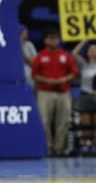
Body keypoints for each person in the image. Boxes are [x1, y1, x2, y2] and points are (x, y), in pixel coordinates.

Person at [31, 27, 79, 156]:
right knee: (44, 120)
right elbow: (34, 75)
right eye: (51, 38)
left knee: (63, 121)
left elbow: (74, 72)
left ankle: (59, 149)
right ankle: (47, 148)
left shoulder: (64, 55)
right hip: (45, 92)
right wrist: (47, 80)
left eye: (56, 38)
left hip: (63, 92)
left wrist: (64, 79)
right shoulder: (40, 56)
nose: (54, 41)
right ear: (45, 40)